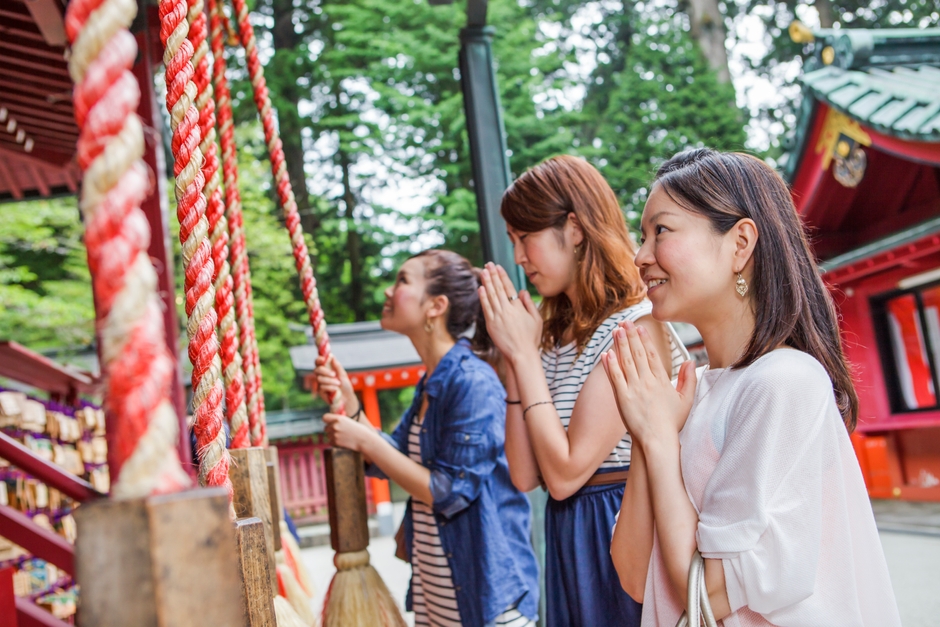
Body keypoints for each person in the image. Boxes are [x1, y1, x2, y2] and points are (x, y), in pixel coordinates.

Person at [605, 148, 901, 625]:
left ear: (740, 243)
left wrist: (659, 438)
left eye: (660, 231)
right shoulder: (689, 390)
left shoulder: (783, 382)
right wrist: (648, 429)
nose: (640, 257)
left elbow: (709, 597)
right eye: (643, 237)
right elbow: (635, 575)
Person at [478, 155, 688, 627]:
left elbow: (567, 473)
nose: (518, 257)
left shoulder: (635, 326)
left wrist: (526, 358)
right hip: (570, 531)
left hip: (618, 526)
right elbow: (524, 474)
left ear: (573, 228)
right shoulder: (553, 333)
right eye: (513, 241)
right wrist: (518, 357)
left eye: (525, 237)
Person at [313, 249, 540, 627]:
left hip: (486, 603)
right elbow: (397, 458)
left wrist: (365, 439)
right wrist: (353, 408)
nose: (389, 290)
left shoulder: (472, 382)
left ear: (436, 306)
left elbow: (448, 492)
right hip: (439, 596)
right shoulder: (432, 382)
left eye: (402, 280)